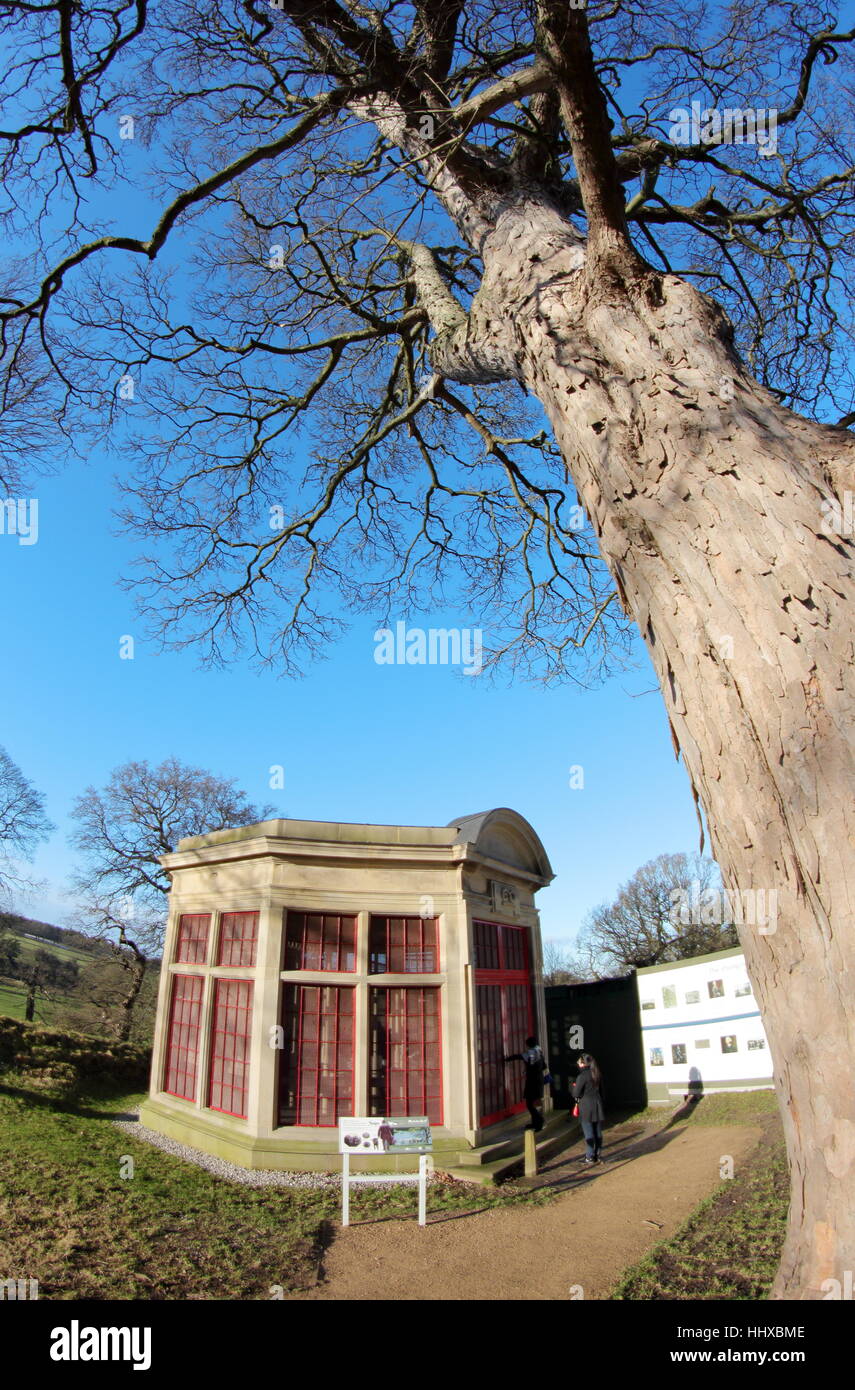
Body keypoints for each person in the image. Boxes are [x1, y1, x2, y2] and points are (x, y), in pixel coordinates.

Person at [504, 1035, 547, 1131]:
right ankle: (535, 1123)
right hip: (539, 1079)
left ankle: (539, 1121)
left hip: (532, 1081)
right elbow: (544, 1066)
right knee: (535, 1102)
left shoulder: (531, 1053)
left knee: (529, 1104)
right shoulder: (539, 1052)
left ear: (528, 1045)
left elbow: (519, 1056)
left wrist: (507, 1059)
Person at [572, 1052, 605, 1164]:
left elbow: (576, 1093)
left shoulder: (582, 1076)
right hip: (597, 1104)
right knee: (597, 1131)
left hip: (586, 1106)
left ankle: (589, 1156)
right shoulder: (596, 1073)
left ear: (583, 1063)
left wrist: (575, 1088)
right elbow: (602, 1090)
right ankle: (598, 1154)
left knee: (588, 1132)